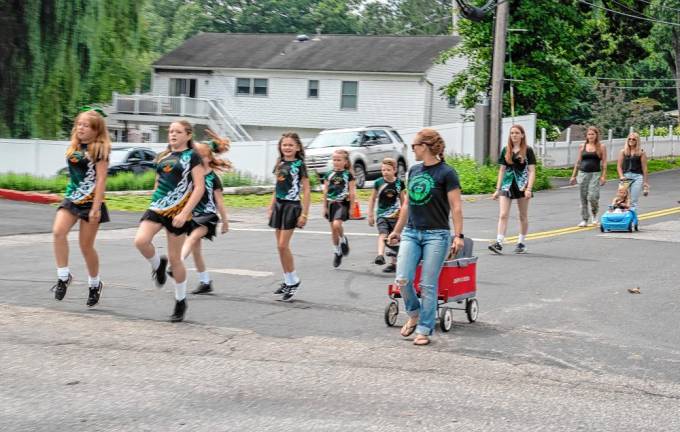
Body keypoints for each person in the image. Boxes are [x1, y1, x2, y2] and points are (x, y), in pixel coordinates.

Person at [388, 128, 464, 346]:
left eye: (415, 145)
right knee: (402, 278)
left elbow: (456, 207)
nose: (412, 149)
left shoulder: (447, 173)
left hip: (437, 235)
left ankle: (424, 329)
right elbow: (407, 204)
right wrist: (397, 230)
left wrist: (458, 235)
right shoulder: (414, 171)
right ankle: (414, 313)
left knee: (428, 285)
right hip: (411, 232)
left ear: (426, 146)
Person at [134, 120, 205, 322]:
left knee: (176, 260)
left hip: (179, 212)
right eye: (171, 131)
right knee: (140, 241)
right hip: (158, 207)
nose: (173, 134)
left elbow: (199, 188)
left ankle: (180, 300)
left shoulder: (192, 156)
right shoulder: (163, 156)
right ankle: (157, 265)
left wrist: (185, 213)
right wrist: (154, 197)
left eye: (178, 131)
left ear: (188, 135)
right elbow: (159, 182)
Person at [51, 108, 111, 307]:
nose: (81, 128)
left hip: (91, 202)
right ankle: (63, 276)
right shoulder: (74, 147)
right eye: (79, 124)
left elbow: (101, 179)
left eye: (86, 125)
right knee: (58, 232)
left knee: (85, 246)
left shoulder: (99, 150)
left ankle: (95, 284)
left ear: (96, 130)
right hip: (72, 198)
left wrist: (96, 207)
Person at [179, 130, 231, 295]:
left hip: (208, 216)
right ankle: (205, 281)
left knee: (192, 237)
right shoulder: (193, 176)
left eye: (201, 156)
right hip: (193, 215)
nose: (197, 159)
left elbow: (220, 202)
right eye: (195, 156)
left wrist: (225, 221)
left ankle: (177, 262)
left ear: (209, 158)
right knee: (196, 250)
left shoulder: (212, 178)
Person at [268, 132, 311, 301]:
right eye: (284, 144)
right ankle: (288, 280)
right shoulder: (280, 163)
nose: (287, 147)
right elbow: (276, 186)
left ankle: (294, 281)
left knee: (283, 245)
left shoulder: (299, 165)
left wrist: (305, 214)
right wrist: (271, 206)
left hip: (292, 206)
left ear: (297, 147)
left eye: (290, 145)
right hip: (279, 205)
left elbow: (306, 190)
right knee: (279, 247)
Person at [488, 125, 536, 254]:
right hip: (507, 184)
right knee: (503, 214)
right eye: (511, 133)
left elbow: (531, 171)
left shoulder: (528, 150)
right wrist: (497, 189)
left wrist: (529, 188)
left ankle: (521, 242)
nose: (514, 135)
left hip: (522, 185)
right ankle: (499, 242)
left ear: (522, 135)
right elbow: (502, 170)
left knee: (522, 215)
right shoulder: (506, 150)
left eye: (516, 133)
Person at [367, 158, 405, 273]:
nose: (385, 172)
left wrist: (404, 215)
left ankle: (393, 264)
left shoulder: (399, 183)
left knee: (393, 238)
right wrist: (370, 214)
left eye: (388, 170)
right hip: (382, 215)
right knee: (383, 234)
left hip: (395, 215)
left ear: (394, 170)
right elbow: (372, 199)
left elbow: (403, 201)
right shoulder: (378, 182)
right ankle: (380, 255)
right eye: (383, 170)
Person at [322, 149, 355, 268]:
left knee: (337, 225)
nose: (336, 162)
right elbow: (325, 191)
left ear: (345, 161)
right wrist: (324, 206)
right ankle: (337, 251)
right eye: (334, 160)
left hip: (342, 203)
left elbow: (352, 193)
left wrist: (351, 207)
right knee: (333, 230)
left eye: (339, 160)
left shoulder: (348, 175)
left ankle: (343, 239)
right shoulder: (328, 174)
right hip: (331, 204)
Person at [569, 126, 607, 226]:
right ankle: (584, 219)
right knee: (583, 197)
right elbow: (578, 162)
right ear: (586, 135)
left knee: (593, 196)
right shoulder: (582, 146)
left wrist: (603, 176)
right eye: (589, 134)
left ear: (596, 135)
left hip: (595, 174)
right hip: (583, 173)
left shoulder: (601, 147)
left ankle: (594, 214)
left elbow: (604, 163)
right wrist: (573, 176)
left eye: (592, 134)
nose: (590, 136)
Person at [617, 132, 649, 210]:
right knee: (621, 198)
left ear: (637, 141)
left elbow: (644, 168)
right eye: (629, 139)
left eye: (634, 139)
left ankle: (632, 220)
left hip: (637, 177)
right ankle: (622, 217)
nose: (631, 140)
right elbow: (619, 166)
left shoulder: (641, 153)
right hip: (625, 177)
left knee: (633, 201)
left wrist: (645, 182)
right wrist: (621, 176)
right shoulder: (623, 151)